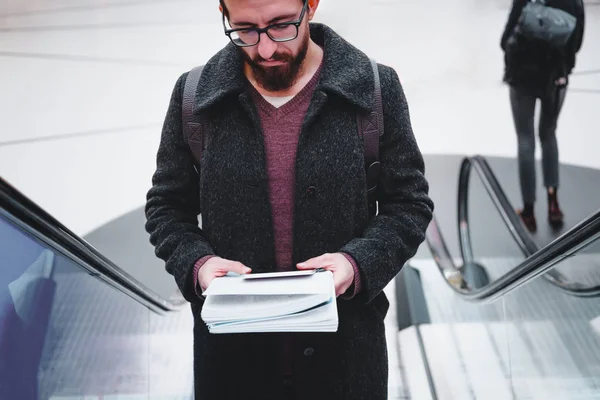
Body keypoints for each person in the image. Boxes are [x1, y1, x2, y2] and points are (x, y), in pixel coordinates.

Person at [145, 0, 434, 398]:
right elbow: (166, 208)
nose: (264, 49)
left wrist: (358, 263)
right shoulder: (194, 98)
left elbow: (409, 204)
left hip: (346, 365)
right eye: (245, 29)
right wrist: (198, 264)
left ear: (310, 5)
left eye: (281, 25)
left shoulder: (375, 88)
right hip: (232, 368)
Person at [500, 0, 585, 233]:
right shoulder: (573, 2)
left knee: (525, 141)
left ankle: (528, 212)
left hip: (522, 79)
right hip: (555, 80)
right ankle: (553, 203)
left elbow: (505, 38)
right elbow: (575, 43)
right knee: (548, 134)